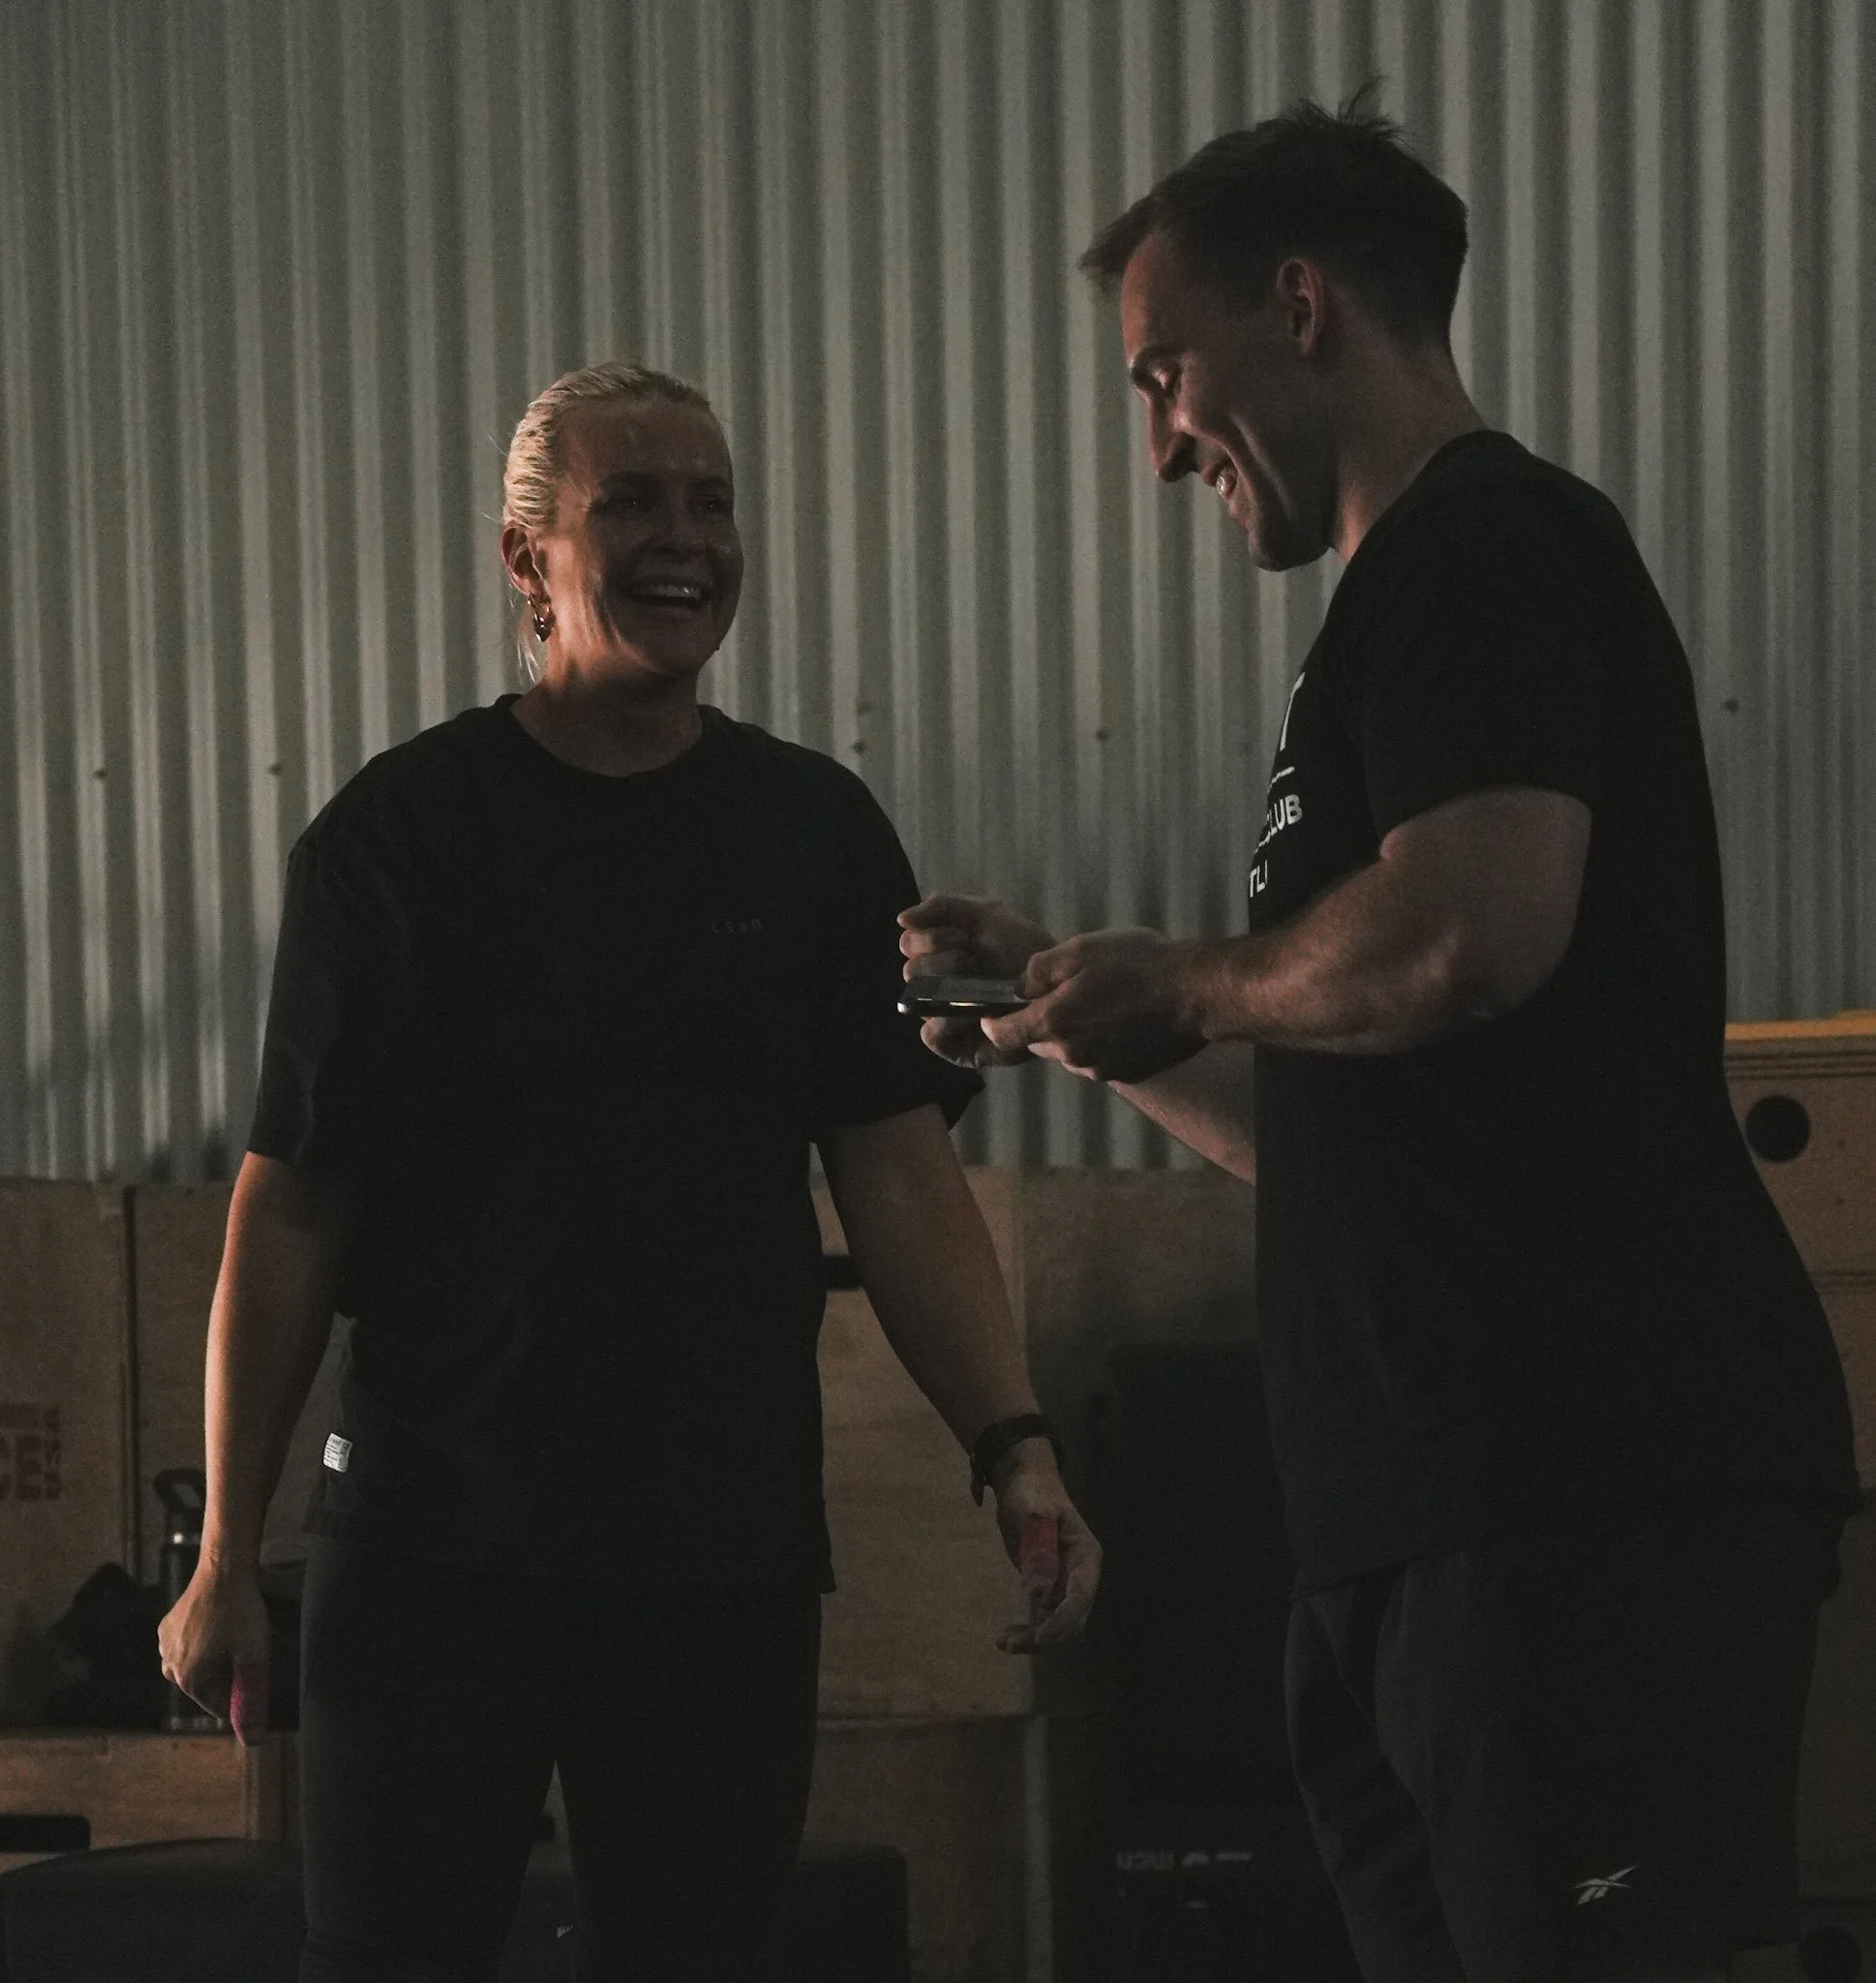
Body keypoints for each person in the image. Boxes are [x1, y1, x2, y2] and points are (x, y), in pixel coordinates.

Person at [901, 97, 1858, 1983]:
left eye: (1166, 371)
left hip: (1577, 1486)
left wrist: (1182, 972)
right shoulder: (1385, 625)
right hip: (1432, 1508)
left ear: (1307, 304)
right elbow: (1337, 1101)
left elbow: (1465, 939)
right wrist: (1084, 1018)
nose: (1164, 440)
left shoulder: (1488, 549)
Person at [158, 359, 1100, 1983]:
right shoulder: (399, 839)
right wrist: (225, 1558)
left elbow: (896, 1177)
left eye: (713, 501)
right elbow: (291, 1205)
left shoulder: (806, 832)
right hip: (435, 1547)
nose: (689, 541)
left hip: (714, 1555)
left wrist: (1013, 1445)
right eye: (635, 504)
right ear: (527, 562)